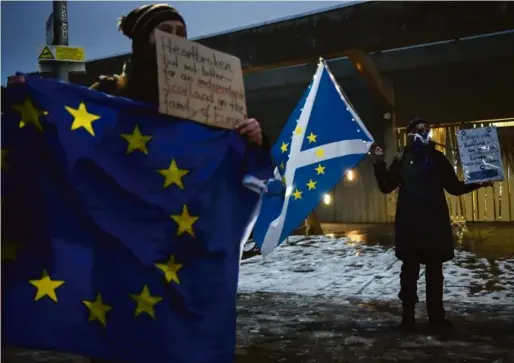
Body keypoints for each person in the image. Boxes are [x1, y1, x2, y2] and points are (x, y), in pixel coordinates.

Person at [372, 117, 492, 331]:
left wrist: (479, 182)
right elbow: (386, 186)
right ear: (409, 133)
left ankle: (436, 318)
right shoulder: (401, 159)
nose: (424, 133)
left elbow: (454, 187)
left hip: (434, 224)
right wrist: (379, 162)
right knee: (409, 272)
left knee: (435, 273)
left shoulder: (438, 159)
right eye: (419, 129)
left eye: (427, 129)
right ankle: (407, 318)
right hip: (409, 225)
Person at [90, 3, 265, 147]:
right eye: (165, 31)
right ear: (143, 39)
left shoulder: (208, 99)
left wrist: (254, 138)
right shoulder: (109, 91)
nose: (174, 38)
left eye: (180, 33)